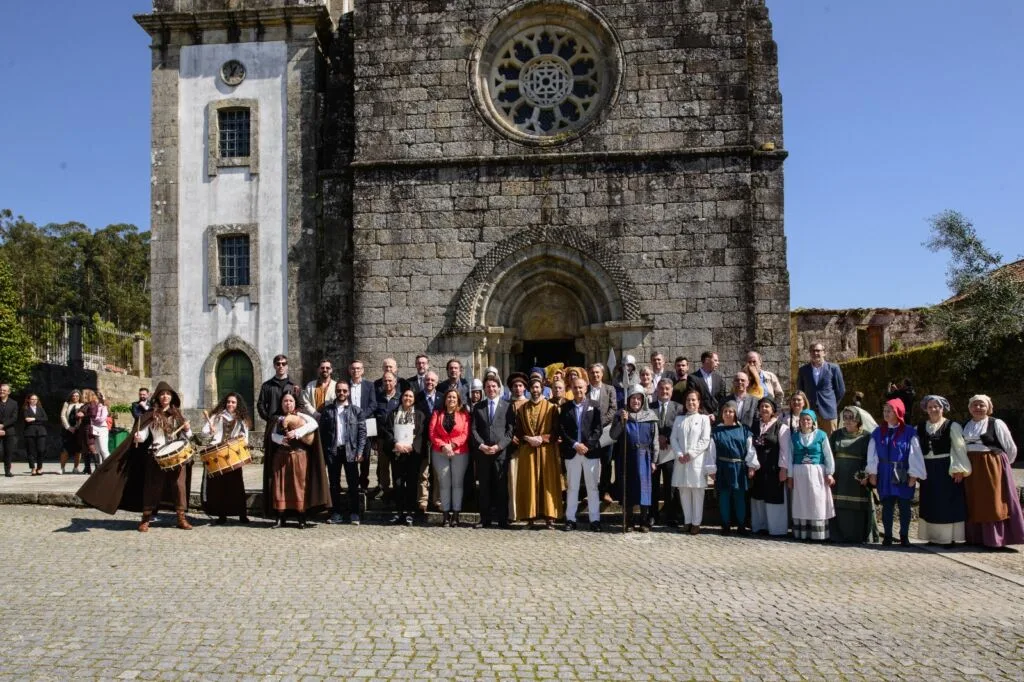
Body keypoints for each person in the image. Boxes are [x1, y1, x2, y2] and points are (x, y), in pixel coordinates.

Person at [77, 382, 194, 532]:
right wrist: (138, 437)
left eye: (168, 394)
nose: (165, 397)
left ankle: (181, 517)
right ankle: (146, 519)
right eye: (162, 394)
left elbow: (187, 436)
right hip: (156, 454)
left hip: (177, 456)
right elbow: (144, 435)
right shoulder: (151, 415)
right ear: (158, 397)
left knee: (179, 486)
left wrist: (188, 429)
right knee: (153, 486)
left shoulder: (177, 415)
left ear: (172, 397)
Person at [961, 395, 1024, 548]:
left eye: (981, 405)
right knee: (974, 500)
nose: (978, 408)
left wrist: (1002, 465)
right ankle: (976, 537)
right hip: (971, 467)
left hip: (992, 465)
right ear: (970, 408)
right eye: (974, 405)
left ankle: (994, 538)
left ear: (988, 407)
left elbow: (1010, 448)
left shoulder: (996, 423)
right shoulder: (966, 425)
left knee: (992, 501)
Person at [265, 392, 329, 528]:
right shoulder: (276, 418)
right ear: (281, 404)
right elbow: (271, 436)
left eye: (290, 401)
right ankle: (280, 518)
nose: (288, 403)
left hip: (299, 457)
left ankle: (301, 518)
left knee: (300, 487)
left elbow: (314, 424)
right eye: (285, 401)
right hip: (281, 457)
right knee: (280, 487)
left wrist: (297, 432)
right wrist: (280, 439)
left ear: (295, 403)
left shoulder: (301, 415)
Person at [868, 399, 926, 546]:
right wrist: (872, 473)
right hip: (885, 472)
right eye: (884, 410)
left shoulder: (909, 432)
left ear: (898, 413)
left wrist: (914, 474)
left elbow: (915, 453)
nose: (886, 414)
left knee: (904, 505)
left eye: (889, 411)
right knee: (887, 505)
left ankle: (904, 536)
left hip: (902, 472)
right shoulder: (878, 432)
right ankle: (887, 535)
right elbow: (872, 454)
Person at [916, 395, 970, 547]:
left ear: (943, 408)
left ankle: (947, 538)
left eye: (936, 407)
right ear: (925, 409)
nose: (933, 409)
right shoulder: (920, 427)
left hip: (946, 467)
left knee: (946, 502)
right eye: (930, 407)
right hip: (928, 468)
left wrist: (959, 469)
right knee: (930, 502)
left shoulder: (952, 426)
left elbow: (959, 448)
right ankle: (933, 537)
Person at [513, 377, 563, 528]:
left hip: (547, 450)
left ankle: (550, 517)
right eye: (532, 388)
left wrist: (542, 438)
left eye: (537, 387)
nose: (535, 390)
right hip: (527, 450)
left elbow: (556, 430)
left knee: (547, 482)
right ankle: (529, 517)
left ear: (542, 388)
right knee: (529, 483)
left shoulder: (551, 407)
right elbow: (517, 431)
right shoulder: (522, 409)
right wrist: (527, 438)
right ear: (529, 390)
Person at [609, 386, 658, 532]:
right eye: (633, 398)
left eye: (638, 398)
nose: (635, 401)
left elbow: (654, 441)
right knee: (628, 489)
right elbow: (613, 435)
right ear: (628, 400)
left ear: (643, 400)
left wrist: (654, 460)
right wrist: (622, 422)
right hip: (627, 457)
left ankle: (644, 520)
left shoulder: (650, 416)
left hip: (644, 456)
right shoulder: (621, 415)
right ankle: (628, 520)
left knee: (644, 490)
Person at [828, 406, 879, 544]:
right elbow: (829, 455)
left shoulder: (867, 436)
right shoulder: (836, 435)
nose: (848, 420)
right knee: (838, 505)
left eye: (852, 417)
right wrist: (829, 473)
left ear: (858, 420)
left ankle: (857, 535)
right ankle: (837, 534)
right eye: (845, 417)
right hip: (839, 475)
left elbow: (871, 457)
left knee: (856, 507)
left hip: (857, 476)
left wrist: (865, 475)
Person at [559, 377, 604, 531]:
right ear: (571, 389)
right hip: (572, 451)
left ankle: (595, 519)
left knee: (592, 487)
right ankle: (570, 519)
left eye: (581, 387)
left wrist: (587, 445)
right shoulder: (565, 408)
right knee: (572, 487)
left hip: (590, 452)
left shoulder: (595, 406)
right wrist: (575, 444)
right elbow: (562, 430)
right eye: (575, 387)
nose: (578, 390)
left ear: (586, 388)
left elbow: (598, 429)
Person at [319, 381, 368, 525]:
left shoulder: (357, 411)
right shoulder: (327, 411)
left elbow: (362, 433)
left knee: (353, 484)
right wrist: (323, 453)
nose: (341, 393)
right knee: (334, 484)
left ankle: (354, 513)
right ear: (335, 391)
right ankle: (336, 513)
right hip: (333, 451)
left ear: (349, 392)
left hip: (350, 451)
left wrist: (360, 451)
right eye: (339, 390)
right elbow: (322, 434)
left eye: (344, 391)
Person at [470, 377, 515, 528]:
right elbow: (473, 429)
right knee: (484, 487)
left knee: (501, 487)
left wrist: (499, 446)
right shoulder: (478, 407)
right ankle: (485, 519)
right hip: (483, 454)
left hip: (500, 453)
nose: (491, 389)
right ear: (484, 389)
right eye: (488, 387)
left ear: (499, 388)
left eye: (494, 386)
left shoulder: (507, 406)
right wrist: (481, 445)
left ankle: (502, 519)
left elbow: (510, 431)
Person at [200, 392, 251, 525]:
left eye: (233, 402)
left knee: (237, 485)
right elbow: (203, 432)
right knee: (219, 487)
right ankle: (221, 515)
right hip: (217, 453)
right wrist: (209, 432)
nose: (230, 404)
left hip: (233, 454)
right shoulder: (217, 416)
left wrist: (238, 440)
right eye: (228, 402)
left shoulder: (242, 419)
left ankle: (242, 514)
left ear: (237, 404)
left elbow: (245, 438)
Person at [710, 401, 759, 535]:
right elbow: (711, 452)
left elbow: (750, 449)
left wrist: (751, 466)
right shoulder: (716, 431)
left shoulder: (744, 430)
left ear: (735, 413)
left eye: (731, 411)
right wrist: (711, 469)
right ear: (722, 414)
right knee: (724, 497)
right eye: (725, 411)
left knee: (740, 497)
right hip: (723, 467)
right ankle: (725, 525)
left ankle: (741, 525)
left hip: (739, 467)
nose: (728, 414)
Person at [788, 409, 836, 542]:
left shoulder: (821, 435)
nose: (805, 422)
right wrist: (790, 477)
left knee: (817, 501)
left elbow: (828, 455)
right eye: (803, 419)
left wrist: (829, 473)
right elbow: (790, 457)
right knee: (801, 501)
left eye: (808, 419)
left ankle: (818, 534)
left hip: (817, 474)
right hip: (799, 474)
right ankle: (802, 533)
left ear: (813, 421)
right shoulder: (794, 437)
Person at [381, 387, 426, 526]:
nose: (408, 398)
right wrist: (396, 444)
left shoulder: (419, 415)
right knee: (398, 484)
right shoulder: (393, 413)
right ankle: (400, 512)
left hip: (413, 455)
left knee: (412, 484)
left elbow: (421, 434)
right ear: (402, 397)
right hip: (398, 454)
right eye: (406, 395)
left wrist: (413, 446)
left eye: (411, 396)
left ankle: (410, 513)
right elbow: (387, 432)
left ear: (414, 400)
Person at [670, 389, 713, 534]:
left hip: (696, 461)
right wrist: (679, 453)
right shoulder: (679, 419)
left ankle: (696, 522)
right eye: (688, 400)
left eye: (694, 400)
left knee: (697, 492)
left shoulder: (704, 419)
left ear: (699, 402)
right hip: (681, 460)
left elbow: (705, 440)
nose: (691, 402)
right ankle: (687, 521)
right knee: (683, 491)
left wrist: (691, 454)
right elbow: (673, 438)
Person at [749, 396, 791, 537]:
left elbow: (785, 450)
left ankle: (776, 529)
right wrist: (751, 465)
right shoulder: (755, 426)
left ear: (773, 410)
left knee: (773, 497)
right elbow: (750, 447)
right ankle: (761, 526)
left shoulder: (781, 427)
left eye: (767, 406)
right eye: (761, 407)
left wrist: (784, 469)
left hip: (774, 468)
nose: (764, 409)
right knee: (759, 497)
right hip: (759, 468)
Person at [429, 387, 471, 527]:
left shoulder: (464, 414)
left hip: (459, 452)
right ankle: (446, 515)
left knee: (457, 483)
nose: (451, 399)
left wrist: (452, 445)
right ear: (445, 399)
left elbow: (465, 434)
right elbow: (432, 433)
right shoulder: (437, 413)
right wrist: (443, 446)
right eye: (449, 397)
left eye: (454, 397)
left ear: (458, 400)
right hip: (439, 452)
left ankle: (456, 515)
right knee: (444, 483)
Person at [650, 379, 682, 526]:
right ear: (657, 390)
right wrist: (658, 438)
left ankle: (671, 516)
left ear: (672, 391)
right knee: (653, 485)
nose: (664, 392)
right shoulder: (650, 408)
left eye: (667, 389)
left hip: (671, 452)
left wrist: (667, 438)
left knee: (671, 486)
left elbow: (679, 428)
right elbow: (648, 427)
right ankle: (653, 515)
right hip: (654, 453)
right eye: (662, 389)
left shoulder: (679, 408)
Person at [585, 363, 617, 504]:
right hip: (589, 433)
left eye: (597, 372)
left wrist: (599, 423)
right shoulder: (584, 390)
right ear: (588, 374)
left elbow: (613, 409)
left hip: (606, 432)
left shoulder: (610, 389)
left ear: (602, 374)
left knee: (606, 462)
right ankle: (589, 492)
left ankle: (604, 491)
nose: (595, 375)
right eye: (592, 372)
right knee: (590, 463)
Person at [796, 343, 845, 435]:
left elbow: (841, 390)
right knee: (810, 439)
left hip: (829, 412)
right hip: (810, 413)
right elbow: (800, 391)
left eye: (818, 351)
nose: (815, 353)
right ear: (810, 353)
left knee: (830, 441)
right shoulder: (803, 370)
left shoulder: (834, 368)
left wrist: (832, 403)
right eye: (813, 351)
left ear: (824, 353)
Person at [686, 350, 727, 418]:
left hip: (716, 419)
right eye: (715, 360)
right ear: (707, 360)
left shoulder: (719, 378)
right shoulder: (693, 378)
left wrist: (715, 414)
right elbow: (693, 399)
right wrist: (705, 415)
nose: (718, 363)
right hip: (700, 417)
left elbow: (722, 399)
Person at [77, 389, 110, 472]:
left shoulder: (92, 405)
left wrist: (83, 415)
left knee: (97, 448)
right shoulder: (86, 404)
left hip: (92, 427)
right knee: (86, 447)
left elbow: (94, 415)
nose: (82, 396)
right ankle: (88, 467)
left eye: (84, 395)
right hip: (85, 427)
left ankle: (102, 466)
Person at [21, 394, 48, 476]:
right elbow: (27, 419)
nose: (34, 400)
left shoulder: (40, 408)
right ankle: (33, 468)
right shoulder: (25, 409)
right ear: (28, 400)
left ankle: (39, 468)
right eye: (32, 399)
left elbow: (45, 419)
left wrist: (34, 418)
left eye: (35, 399)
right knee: (31, 451)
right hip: (30, 432)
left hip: (41, 432)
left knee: (41, 450)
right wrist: (38, 420)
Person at [59, 389, 83, 474]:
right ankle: (62, 468)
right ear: (71, 396)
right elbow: (62, 416)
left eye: (77, 396)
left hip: (78, 430)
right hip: (67, 429)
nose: (75, 397)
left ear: (79, 397)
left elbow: (82, 417)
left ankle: (75, 468)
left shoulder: (82, 405)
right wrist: (68, 427)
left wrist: (76, 427)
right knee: (65, 449)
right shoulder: (67, 404)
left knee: (78, 450)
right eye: (73, 396)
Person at [0, 383, 17, 477]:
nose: (2, 391)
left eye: (4, 390)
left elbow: (14, 418)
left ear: (9, 392)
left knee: (8, 452)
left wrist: (3, 425)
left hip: (9, 430)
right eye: (1, 390)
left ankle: (7, 471)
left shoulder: (14, 403)